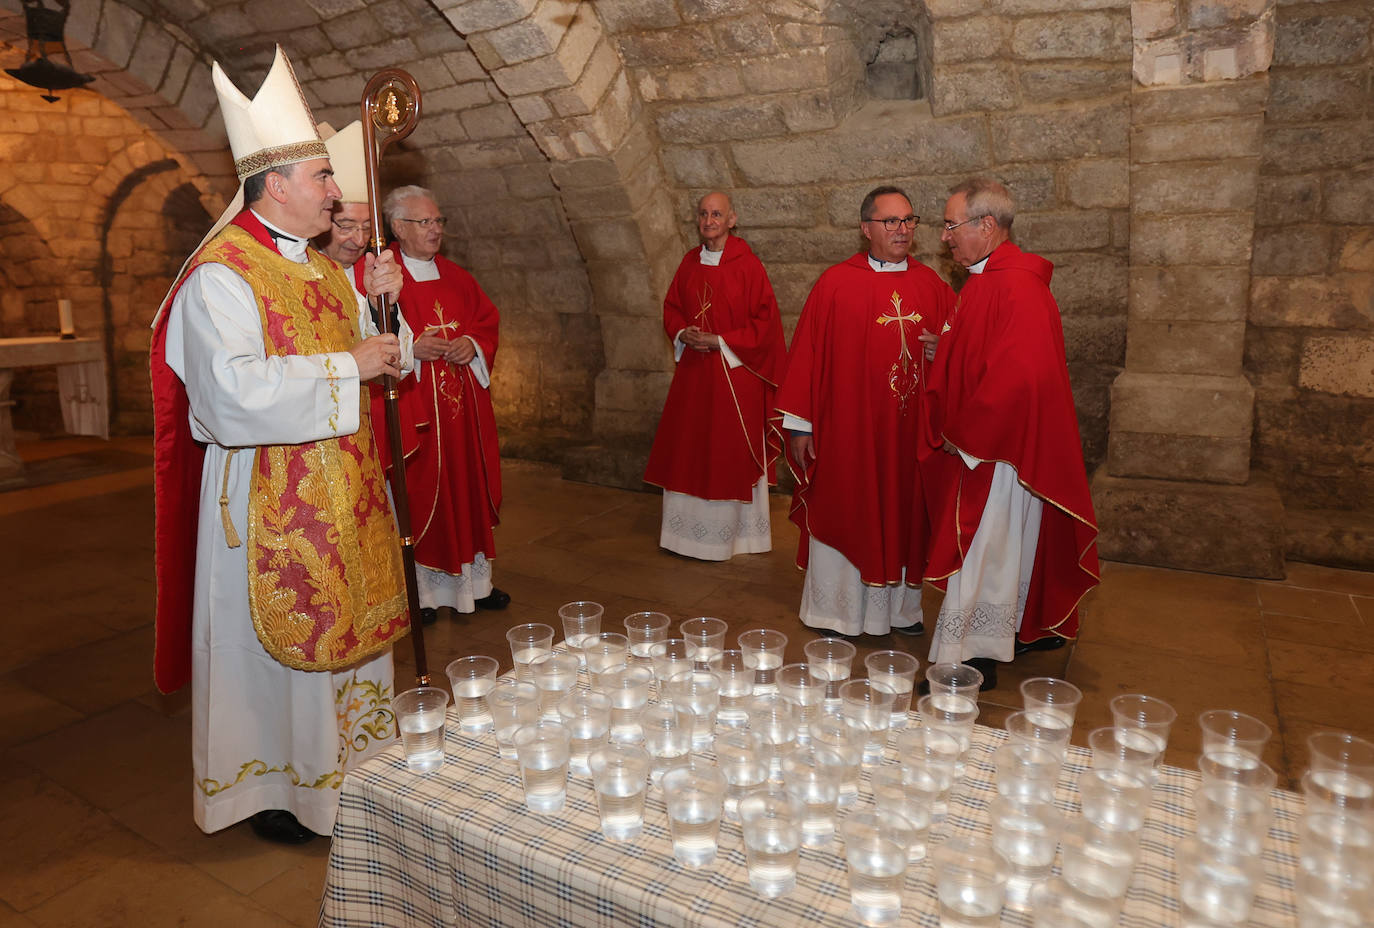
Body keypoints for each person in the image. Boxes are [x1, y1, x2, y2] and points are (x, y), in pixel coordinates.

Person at [149, 47, 414, 844]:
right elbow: (229, 397)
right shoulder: (221, 277)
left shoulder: (329, 271)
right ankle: (281, 789)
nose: (337, 191)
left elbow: (376, 364)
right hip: (269, 498)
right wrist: (350, 364)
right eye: (323, 178)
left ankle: (357, 778)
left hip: (347, 489)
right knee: (276, 645)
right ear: (276, 186)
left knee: (353, 634)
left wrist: (385, 319)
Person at [921, 177, 1101, 691]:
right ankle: (1017, 632)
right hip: (999, 448)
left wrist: (968, 435)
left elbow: (1018, 375)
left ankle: (971, 657)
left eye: (952, 225)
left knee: (984, 548)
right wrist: (947, 351)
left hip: (998, 452)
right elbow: (987, 353)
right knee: (1005, 549)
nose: (945, 237)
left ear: (986, 225)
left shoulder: (1015, 285)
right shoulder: (986, 279)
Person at [776, 186, 955, 638]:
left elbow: (961, 351)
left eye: (909, 220)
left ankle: (901, 611)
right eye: (890, 221)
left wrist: (946, 352)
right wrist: (800, 425)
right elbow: (807, 358)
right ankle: (837, 612)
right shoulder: (835, 285)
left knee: (908, 515)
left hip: (909, 434)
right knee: (848, 505)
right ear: (865, 229)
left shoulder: (932, 286)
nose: (902, 230)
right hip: (849, 433)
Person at [381, 185, 507, 621]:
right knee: (421, 496)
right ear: (398, 227)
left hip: (462, 414)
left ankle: (476, 584)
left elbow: (486, 321)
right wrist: (413, 349)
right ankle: (423, 595)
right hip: (418, 413)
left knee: (466, 490)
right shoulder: (382, 278)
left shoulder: (457, 276)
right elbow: (366, 336)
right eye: (425, 222)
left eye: (439, 222)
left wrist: (471, 344)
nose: (435, 230)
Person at [643, 191, 788, 560]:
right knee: (689, 449)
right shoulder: (689, 262)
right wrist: (682, 333)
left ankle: (732, 539)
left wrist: (719, 339)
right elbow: (672, 306)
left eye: (717, 214)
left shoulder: (748, 266)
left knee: (727, 452)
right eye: (704, 214)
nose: (709, 221)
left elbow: (766, 325)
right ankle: (684, 536)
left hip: (733, 379)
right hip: (693, 375)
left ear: (732, 220)